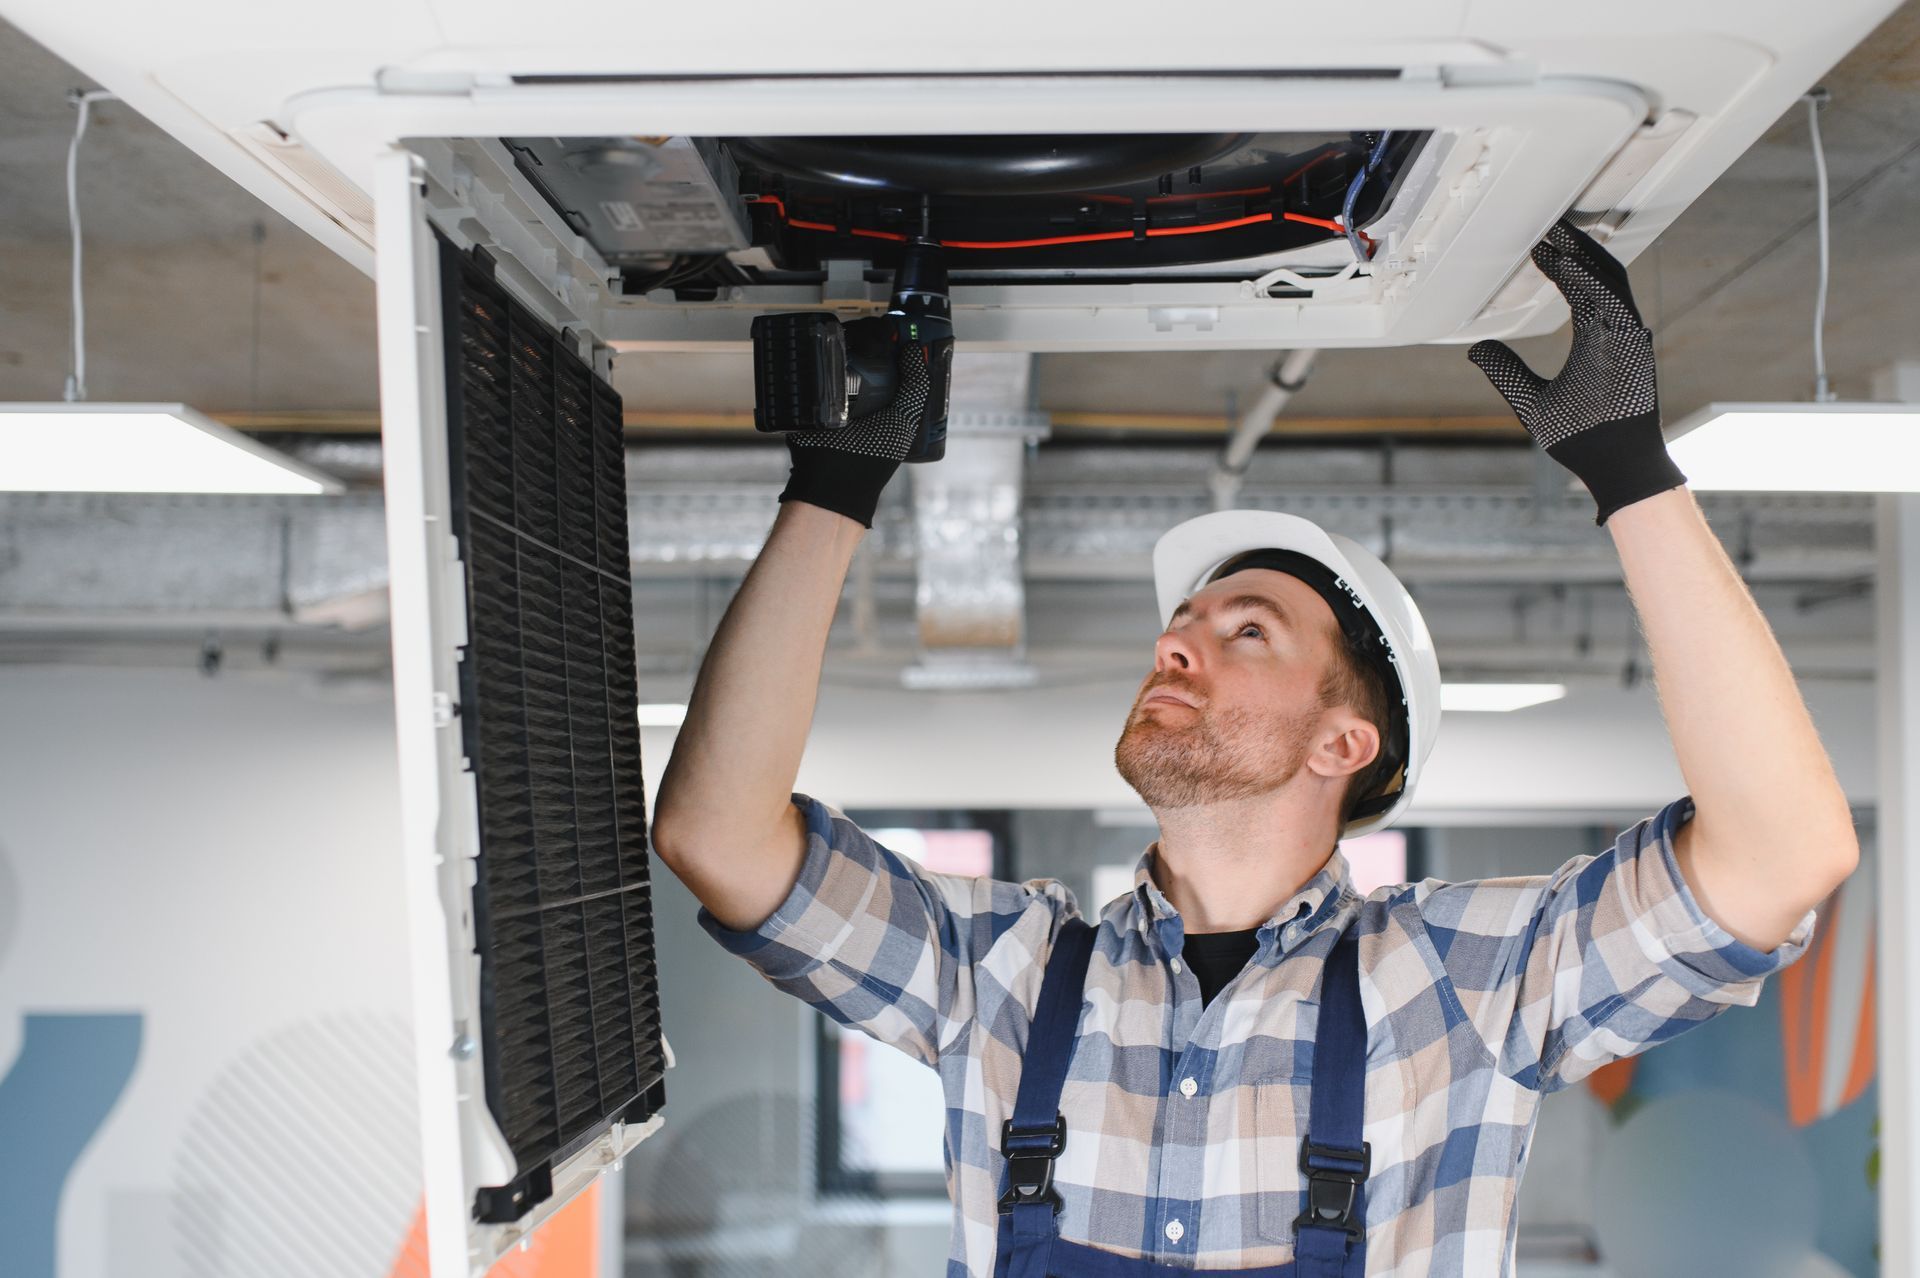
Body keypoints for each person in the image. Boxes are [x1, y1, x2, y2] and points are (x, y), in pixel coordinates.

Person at [648, 219, 1855, 1277]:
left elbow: (1781, 850)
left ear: (1346, 740)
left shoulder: (1461, 988)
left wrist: (1630, 472)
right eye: (1179, 628)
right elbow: (718, 834)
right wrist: (836, 487)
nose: (1177, 648)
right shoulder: (1004, 976)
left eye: (1245, 630)